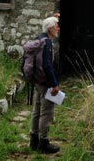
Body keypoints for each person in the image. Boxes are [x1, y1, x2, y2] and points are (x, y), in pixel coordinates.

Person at [29, 16, 61, 154]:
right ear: (50, 29)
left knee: (36, 111)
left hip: (37, 80)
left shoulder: (38, 39)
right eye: (56, 26)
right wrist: (54, 84)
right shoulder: (47, 43)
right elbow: (48, 65)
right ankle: (43, 142)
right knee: (46, 113)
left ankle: (33, 140)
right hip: (46, 83)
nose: (58, 28)